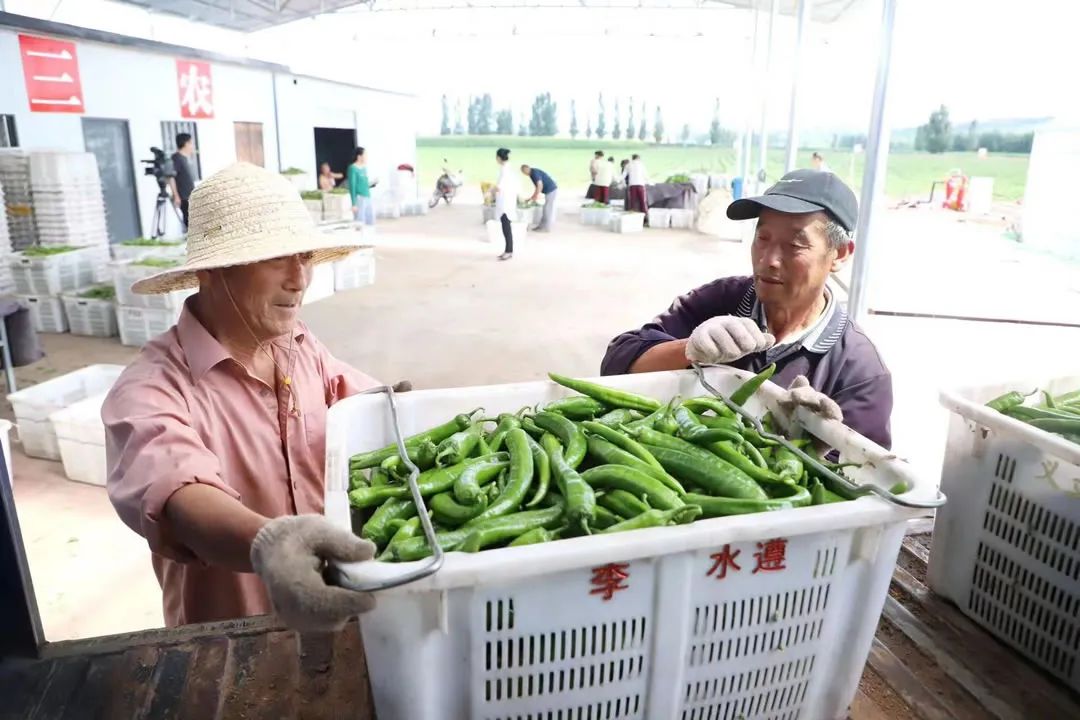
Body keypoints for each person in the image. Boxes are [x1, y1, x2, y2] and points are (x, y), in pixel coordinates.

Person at [103, 162, 391, 632]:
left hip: (334, 617)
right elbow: (178, 489)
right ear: (214, 271)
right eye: (278, 258)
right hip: (230, 643)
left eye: (305, 257)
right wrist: (271, 545)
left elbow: (351, 395)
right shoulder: (151, 389)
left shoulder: (298, 344)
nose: (300, 279)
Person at [600, 169, 893, 449]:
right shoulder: (720, 300)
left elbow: (866, 475)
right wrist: (690, 349)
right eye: (762, 238)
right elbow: (617, 363)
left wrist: (816, 440)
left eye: (794, 244)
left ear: (839, 254)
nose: (769, 260)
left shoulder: (859, 370)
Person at [169, 133, 197, 230]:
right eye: (191, 143)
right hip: (183, 197)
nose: (192, 146)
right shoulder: (176, 158)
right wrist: (176, 196)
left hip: (190, 196)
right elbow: (171, 177)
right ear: (186, 143)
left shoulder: (184, 158)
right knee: (190, 223)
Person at [493, 148, 517, 261]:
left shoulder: (505, 170)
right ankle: (508, 250)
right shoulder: (506, 168)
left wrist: (489, 191)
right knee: (505, 226)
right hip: (506, 201)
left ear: (498, 157)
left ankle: (509, 251)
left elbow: (499, 186)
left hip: (506, 203)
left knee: (506, 227)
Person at [521, 164, 558, 232]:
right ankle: (541, 226)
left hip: (551, 190)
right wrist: (532, 197)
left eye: (523, 172)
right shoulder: (532, 173)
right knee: (545, 209)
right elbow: (538, 186)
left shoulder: (534, 173)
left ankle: (546, 228)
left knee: (547, 210)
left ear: (526, 169)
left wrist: (536, 196)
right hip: (548, 191)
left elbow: (539, 185)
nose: (524, 174)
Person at [348, 147, 374, 226]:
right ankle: (359, 237)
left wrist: (371, 184)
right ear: (359, 156)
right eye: (365, 155)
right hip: (359, 198)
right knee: (360, 221)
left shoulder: (364, 168)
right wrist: (354, 204)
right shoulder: (353, 168)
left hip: (367, 196)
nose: (366, 157)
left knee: (370, 219)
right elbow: (352, 186)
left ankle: (369, 236)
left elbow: (364, 183)